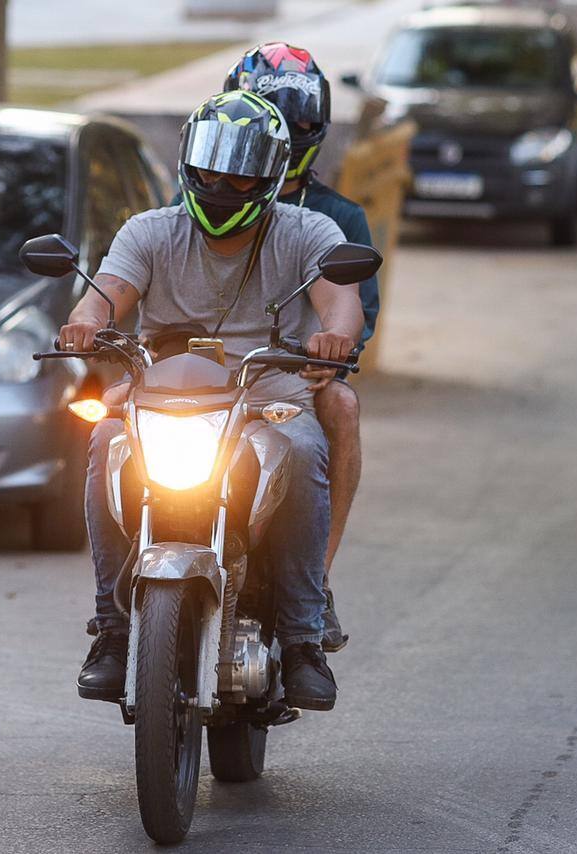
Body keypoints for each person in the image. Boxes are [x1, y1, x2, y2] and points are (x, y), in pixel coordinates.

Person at [65, 90, 363, 711]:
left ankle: (304, 634)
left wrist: (334, 333)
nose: (222, 184)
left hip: (270, 384)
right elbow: (105, 294)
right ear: (187, 163)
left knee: (306, 448)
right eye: (209, 169)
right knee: (103, 440)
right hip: (166, 385)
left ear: (273, 173)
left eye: (240, 172)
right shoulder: (149, 231)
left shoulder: (309, 230)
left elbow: (342, 299)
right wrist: (86, 321)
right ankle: (113, 631)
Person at [222, 42, 380, 652]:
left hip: (293, 377)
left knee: (341, 404)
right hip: (204, 372)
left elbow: (356, 314)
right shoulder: (195, 198)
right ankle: (121, 604)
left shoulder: (337, 218)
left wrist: (331, 347)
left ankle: (316, 578)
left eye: (296, 125)